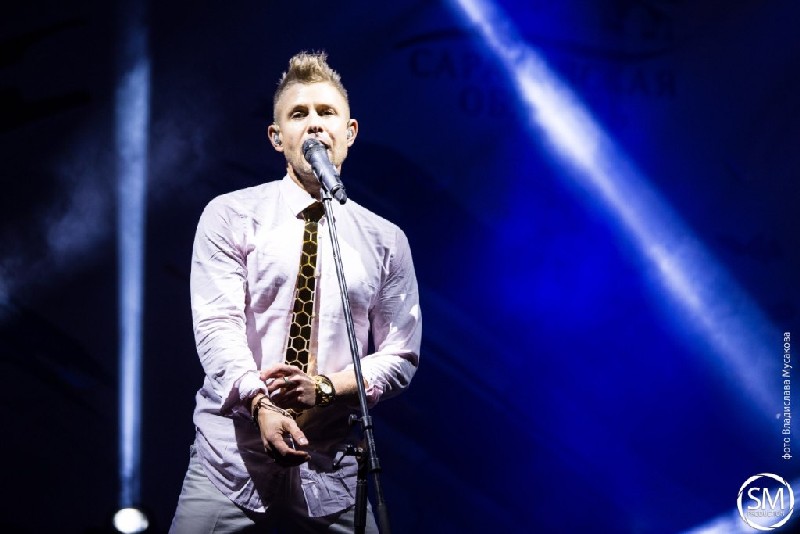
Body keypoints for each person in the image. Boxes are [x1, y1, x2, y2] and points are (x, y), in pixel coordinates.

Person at [169, 51, 422, 533]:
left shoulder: (385, 240)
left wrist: (324, 389)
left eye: (327, 112)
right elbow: (217, 326)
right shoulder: (231, 215)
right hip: (231, 462)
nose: (314, 124)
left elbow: (401, 354)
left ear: (349, 131)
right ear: (276, 136)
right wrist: (260, 404)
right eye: (298, 114)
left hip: (330, 468)